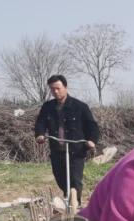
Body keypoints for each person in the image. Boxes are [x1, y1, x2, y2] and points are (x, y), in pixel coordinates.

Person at [33, 75, 100, 208]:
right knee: (61, 179)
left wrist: (92, 140)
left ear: (65, 87)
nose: (55, 92)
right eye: (52, 89)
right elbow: (40, 123)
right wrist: (40, 134)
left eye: (58, 88)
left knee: (75, 179)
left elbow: (92, 126)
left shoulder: (80, 107)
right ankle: (68, 198)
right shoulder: (48, 107)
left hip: (76, 151)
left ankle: (76, 203)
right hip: (57, 150)